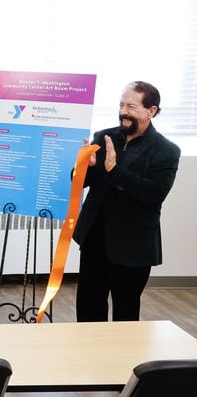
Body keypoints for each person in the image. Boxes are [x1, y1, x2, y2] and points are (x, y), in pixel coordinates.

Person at [74, 81, 180, 322]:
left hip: (133, 247)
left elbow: (154, 194)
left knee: (126, 313)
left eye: (131, 106)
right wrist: (84, 168)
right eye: (121, 105)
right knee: (88, 309)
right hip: (95, 241)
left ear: (151, 111)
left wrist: (114, 170)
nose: (123, 111)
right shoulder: (104, 136)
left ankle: (123, 361)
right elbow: (79, 182)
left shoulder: (167, 150)